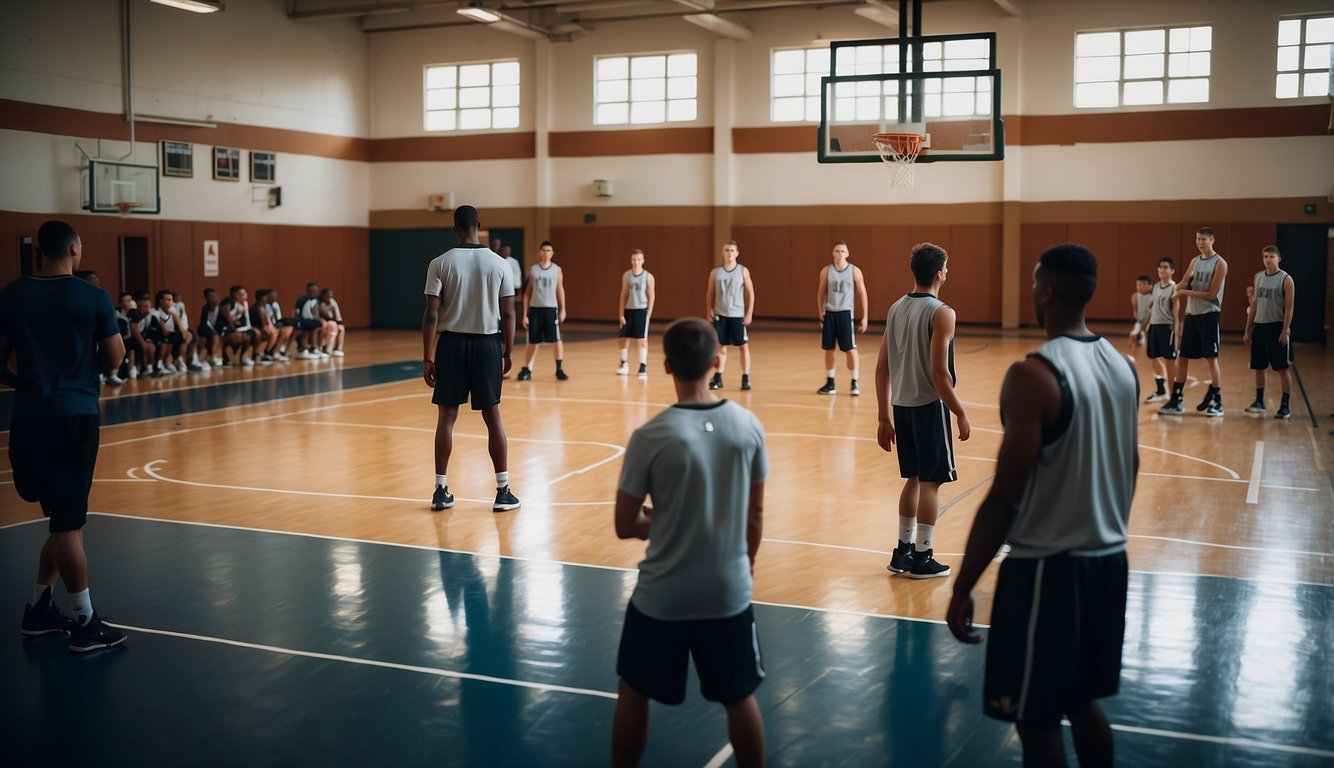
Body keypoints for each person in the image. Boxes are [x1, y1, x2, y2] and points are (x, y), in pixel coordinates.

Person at [947, 243, 1138, 768]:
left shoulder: (1033, 375)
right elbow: (1134, 464)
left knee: (1035, 719)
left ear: (1046, 291)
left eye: (1035, 284)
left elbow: (1006, 498)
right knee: (1082, 701)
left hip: (1046, 574)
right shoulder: (1124, 368)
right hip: (1109, 563)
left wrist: (964, 587)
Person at [611, 317, 768, 768]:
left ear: (664, 367)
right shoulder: (748, 425)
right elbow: (755, 515)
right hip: (728, 589)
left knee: (634, 691)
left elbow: (625, 524)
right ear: (718, 360)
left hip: (663, 596)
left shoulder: (649, 437)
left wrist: (664, 521)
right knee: (740, 698)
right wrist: (746, 564)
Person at [1, 220, 127, 652]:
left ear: (40, 249)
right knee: (69, 524)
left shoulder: (13, 293)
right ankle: (85, 623)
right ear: (74, 249)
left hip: (29, 418)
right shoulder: (93, 296)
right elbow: (114, 358)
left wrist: (25, 382)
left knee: (60, 521)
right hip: (73, 416)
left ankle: (38, 609)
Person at [875, 242, 970, 579]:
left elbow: (881, 368)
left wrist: (883, 416)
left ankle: (902, 552)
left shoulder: (896, 307)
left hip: (901, 406)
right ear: (940, 273)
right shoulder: (942, 312)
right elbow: (939, 373)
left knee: (914, 479)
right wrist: (959, 411)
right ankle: (923, 556)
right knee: (931, 482)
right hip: (930, 407)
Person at [422, 205, 521, 513]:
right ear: (479, 225)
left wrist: (428, 357)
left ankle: (440, 490)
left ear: (455, 227)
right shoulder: (500, 263)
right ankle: (502, 491)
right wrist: (508, 351)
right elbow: (508, 312)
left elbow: (432, 313)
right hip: (487, 344)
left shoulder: (439, 263)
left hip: (451, 344)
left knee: (446, 418)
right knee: (492, 418)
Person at [1160, 227, 1227, 416]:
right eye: (1197, 239)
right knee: (1182, 357)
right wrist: (1172, 289)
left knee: (1212, 359)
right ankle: (1176, 399)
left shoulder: (1220, 263)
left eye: (1203, 239)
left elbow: (1212, 294)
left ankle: (1218, 401)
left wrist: (1183, 292)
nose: (1199, 242)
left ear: (1212, 240)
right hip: (1192, 315)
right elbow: (1183, 281)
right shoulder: (1195, 261)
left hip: (1209, 315)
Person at [1243, 246, 1296, 420]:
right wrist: (1248, 330)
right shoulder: (1258, 277)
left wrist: (1284, 331)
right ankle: (1259, 401)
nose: (1268, 259)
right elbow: (1255, 305)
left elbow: (1289, 309)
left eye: (1271, 256)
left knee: (1282, 368)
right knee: (1258, 367)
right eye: (1265, 256)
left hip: (1276, 327)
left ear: (1279, 259)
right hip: (1260, 327)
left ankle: (1285, 405)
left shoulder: (1286, 279)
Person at [816, 240, 869, 396]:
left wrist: (865, 317)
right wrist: (820, 310)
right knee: (828, 348)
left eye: (842, 251)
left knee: (850, 348)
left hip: (845, 312)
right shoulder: (826, 271)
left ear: (847, 254)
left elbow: (863, 294)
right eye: (837, 251)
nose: (840, 254)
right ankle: (830, 382)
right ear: (833, 253)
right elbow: (820, 292)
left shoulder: (854, 270)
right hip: (830, 312)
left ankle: (854, 382)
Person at [705, 241, 755, 391]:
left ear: (737, 253)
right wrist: (709, 310)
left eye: (732, 250)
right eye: (727, 250)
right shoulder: (715, 273)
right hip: (721, 314)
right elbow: (710, 293)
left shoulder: (742, 271)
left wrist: (749, 312)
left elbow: (750, 293)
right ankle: (718, 377)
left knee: (743, 347)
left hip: (737, 315)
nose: (729, 253)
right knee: (720, 347)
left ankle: (745, 378)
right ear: (723, 253)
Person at [516, 240, 568, 381]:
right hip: (535, 310)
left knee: (556, 340)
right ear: (540, 252)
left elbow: (560, 289)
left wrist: (563, 309)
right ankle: (527, 368)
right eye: (543, 250)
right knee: (533, 341)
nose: (546, 253)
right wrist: (525, 314)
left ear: (552, 253)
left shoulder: (557, 270)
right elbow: (527, 293)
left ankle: (559, 369)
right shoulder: (534, 269)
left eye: (548, 250)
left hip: (551, 309)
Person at [1142, 257, 1178, 403]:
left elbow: (1176, 310)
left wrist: (1177, 331)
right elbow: (1151, 309)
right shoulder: (1156, 287)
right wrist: (1143, 327)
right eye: (1160, 267)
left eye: (1165, 267)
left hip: (1167, 326)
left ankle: (1173, 397)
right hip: (1154, 326)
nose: (1162, 269)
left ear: (1172, 271)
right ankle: (1161, 391)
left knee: (1169, 361)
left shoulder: (1174, 287)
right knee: (1153, 356)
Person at [617, 248, 656, 378]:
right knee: (624, 338)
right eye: (634, 259)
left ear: (643, 261)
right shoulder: (626, 275)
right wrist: (621, 313)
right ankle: (623, 364)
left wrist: (649, 312)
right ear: (631, 260)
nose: (636, 262)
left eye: (639, 259)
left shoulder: (648, 276)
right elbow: (623, 294)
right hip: (629, 310)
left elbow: (652, 295)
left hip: (641, 310)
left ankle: (643, 366)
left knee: (642, 339)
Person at [1126, 274, 1151, 353]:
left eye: (1143, 284)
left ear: (1149, 286)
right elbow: (1135, 309)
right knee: (1132, 335)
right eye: (1138, 285)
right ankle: (1133, 350)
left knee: (1146, 331)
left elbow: (1149, 312)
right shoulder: (1135, 296)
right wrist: (1138, 319)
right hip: (1139, 320)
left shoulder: (1151, 297)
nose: (1140, 287)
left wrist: (1145, 323)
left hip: (1150, 320)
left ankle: (1143, 340)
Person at [318, 288, 346, 357]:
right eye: (327, 295)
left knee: (341, 328)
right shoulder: (319, 303)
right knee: (331, 325)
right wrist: (328, 309)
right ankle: (323, 347)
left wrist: (339, 322)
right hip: (322, 321)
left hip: (332, 321)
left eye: (331, 295)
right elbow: (322, 313)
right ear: (323, 296)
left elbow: (337, 316)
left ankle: (338, 348)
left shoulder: (332, 302)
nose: (330, 297)